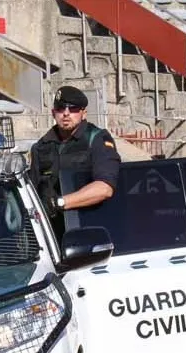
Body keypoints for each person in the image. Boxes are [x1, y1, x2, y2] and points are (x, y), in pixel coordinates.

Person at [29, 85, 121, 239]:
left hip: (90, 228)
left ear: (83, 113)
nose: (66, 113)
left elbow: (104, 188)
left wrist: (59, 203)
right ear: (53, 112)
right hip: (52, 235)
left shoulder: (97, 139)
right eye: (60, 108)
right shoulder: (41, 146)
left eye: (73, 109)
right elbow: (33, 191)